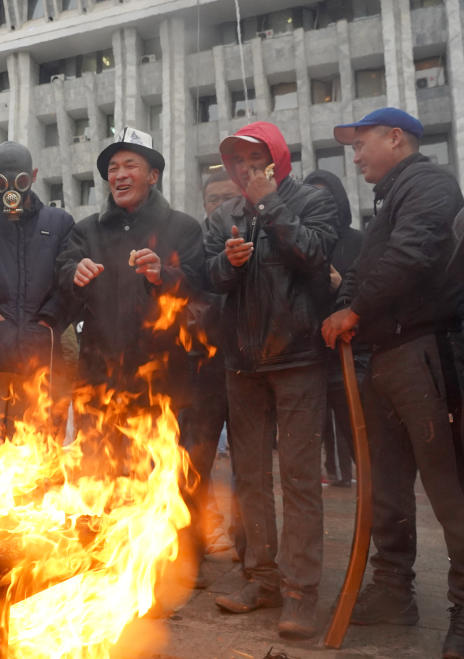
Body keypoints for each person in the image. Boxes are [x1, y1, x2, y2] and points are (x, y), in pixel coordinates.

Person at [322, 107, 464, 659]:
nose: (355, 156)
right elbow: (366, 265)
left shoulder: (429, 183)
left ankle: (462, 608)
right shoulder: (387, 200)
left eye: (362, 145)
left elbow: (412, 255)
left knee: (449, 490)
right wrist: (345, 304)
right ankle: (392, 591)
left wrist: (354, 309)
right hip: (384, 356)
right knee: (386, 483)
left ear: (395, 138)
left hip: (424, 353)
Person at [204, 121, 337, 639]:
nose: (244, 169)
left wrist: (270, 206)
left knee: (301, 480)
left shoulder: (310, 201)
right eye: (236, 161)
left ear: (277, 159)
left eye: (253, 159)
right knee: (251, 478)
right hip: (241, 362)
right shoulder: (224, 216)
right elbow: (208, 278)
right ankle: (261, 578)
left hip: (299, 358)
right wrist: (229, 264)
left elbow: (318, 259)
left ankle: (301, 593)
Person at [56, 127, 204, 467]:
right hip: (97, 380)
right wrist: (73, 274)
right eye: (112, 169)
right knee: (96, 482)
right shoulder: (86, 230)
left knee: (156, 487)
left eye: (130, 165)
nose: (119, 175)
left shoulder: (183, 228)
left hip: (160, 383)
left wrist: (162, 275)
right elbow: (62, 280)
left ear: (153, 175)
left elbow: (201, 289)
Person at [178, 169, 242, 585]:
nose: (220, 204)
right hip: (202, 369)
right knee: (193, 466)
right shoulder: (193, 243)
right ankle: (189, 554)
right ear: (204, 204)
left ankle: (250, 552)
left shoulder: (253, 237)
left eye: (228, 197)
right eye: (213, 198)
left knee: (248, 469)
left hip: (247, 364)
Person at [0, 141, 74, 376]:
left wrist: (47, 322)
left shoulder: (60, 222)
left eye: (21, 181)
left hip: (42, 353)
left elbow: (67, 282)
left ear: (33, 176)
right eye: (2, 182)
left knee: (42, 412)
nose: (11, 190)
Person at [302, 168, 365, 488]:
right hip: (310, 353)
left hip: (351, 353)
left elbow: (369, 293)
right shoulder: (301, 242)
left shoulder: (357, 241)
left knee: (355, 425)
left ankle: (365, 483)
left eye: (325, 195)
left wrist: (341, 288)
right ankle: (335, 472)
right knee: (319, 425)